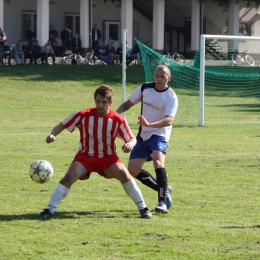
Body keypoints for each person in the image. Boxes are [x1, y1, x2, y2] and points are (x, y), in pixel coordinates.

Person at [37, 85, 152, 219]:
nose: (100, 105)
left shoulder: (117, 119)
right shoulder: (83, 115)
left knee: (123, 173)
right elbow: (63, 123)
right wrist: (52, 134)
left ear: (110, 103)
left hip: (108, 158)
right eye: (98, 101)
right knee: (70, 175)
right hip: (85, 157)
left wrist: (129, 144)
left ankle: (143, 208)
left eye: (104, 102)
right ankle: (49, 210)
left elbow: (132, 138)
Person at [116, 65, 178, 214]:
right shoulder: (145, 88)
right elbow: (128, 103)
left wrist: (150, 124)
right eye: (157, 75)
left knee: (158, 161)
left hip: (160, 133)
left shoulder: (171, 96)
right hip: (144, 134)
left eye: (162, 76)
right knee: (132, 169)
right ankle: (164, 189)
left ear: (168, 78)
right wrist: (114, 115)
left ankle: (162, 202)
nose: (159, 79)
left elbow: (169, 120)